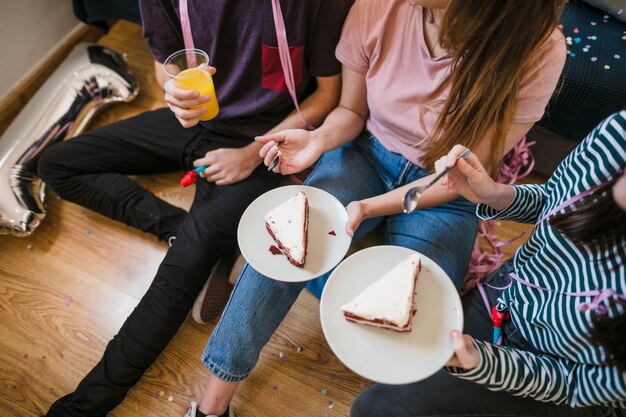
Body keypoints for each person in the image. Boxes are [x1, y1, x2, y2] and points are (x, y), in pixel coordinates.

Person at [186, 0, 568, 415]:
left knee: (416, 319)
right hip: (365, 151)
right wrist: (319, 140)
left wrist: (369, 207)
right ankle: (212, 406)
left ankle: (328, 269)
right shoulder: (377, 5)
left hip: (445, 192)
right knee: (286, 255)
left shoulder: (538, 48)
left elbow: (462, 177)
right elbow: (351, 110)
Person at [39, 0, 353, 415]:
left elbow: (328, 97)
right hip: (198, 125)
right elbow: (163, 68)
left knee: (177, 275)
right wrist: (174, 95)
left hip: (266, 141)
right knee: (55, 164)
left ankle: (82, 408)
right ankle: (177, 227)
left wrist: (247, 156)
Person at [351, 110, 626, 416]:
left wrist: (484, 363)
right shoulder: (618, 135)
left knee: (376, 409)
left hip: (562, 378)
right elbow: (555, 201)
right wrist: (494, 194)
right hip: (507, 299)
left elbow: (574, 384)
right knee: (394, 357)